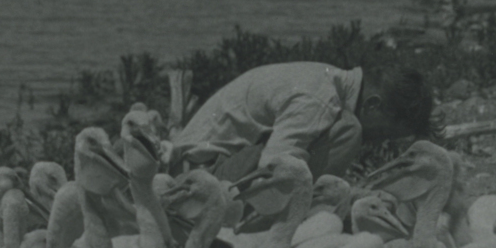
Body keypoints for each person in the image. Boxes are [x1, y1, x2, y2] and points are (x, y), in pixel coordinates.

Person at [169, 61, 433, 182]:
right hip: (198, 177)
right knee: (350, 131)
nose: (377, 142)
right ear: (373, 105)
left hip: (199, 165)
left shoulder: (325, 78)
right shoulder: (319, 98)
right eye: (384, 134)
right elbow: (274, 165)